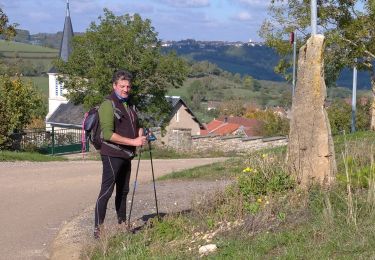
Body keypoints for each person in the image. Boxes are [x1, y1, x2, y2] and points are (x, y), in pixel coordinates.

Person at [94, 70, 147, 238]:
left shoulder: (129, 104)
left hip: (127, 155)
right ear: (114, 86)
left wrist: (140, 134)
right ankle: (98, 230)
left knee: (123, 192)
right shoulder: (107, 105)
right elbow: (108, 134)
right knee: (106, 192)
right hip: (111, 154)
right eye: (122, 86)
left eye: (128, 86)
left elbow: (136, 125)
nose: (126, 89)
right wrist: (133, 142)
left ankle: (122, 224)